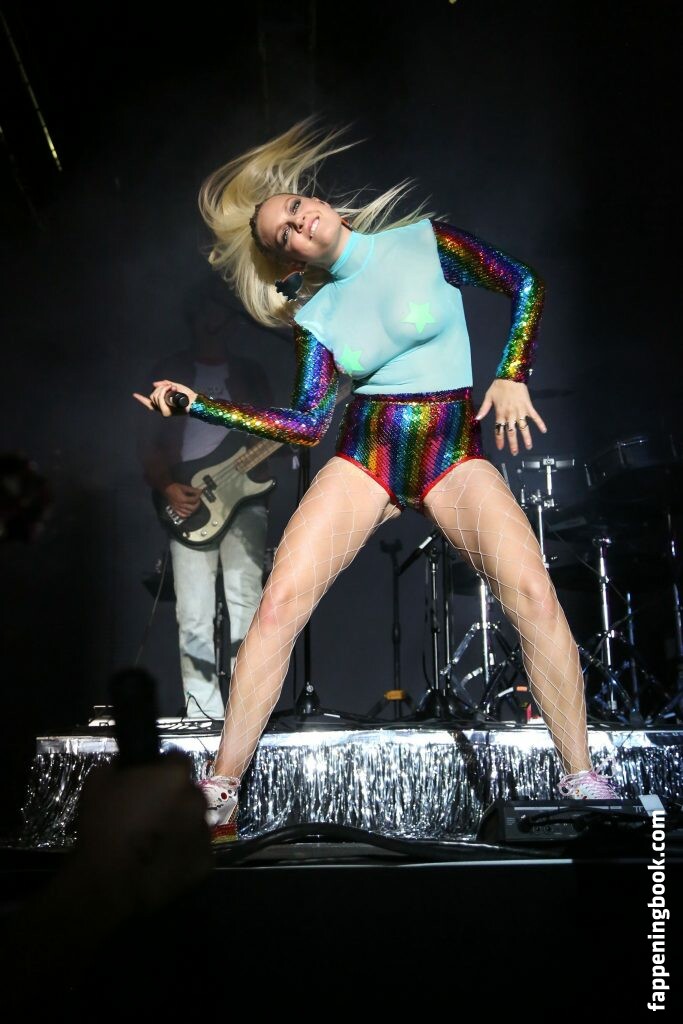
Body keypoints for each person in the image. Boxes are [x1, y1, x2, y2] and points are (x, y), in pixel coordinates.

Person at [134, 118, 619, 841]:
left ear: (315, 201)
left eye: (295, 208)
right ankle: (222, 787)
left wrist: (512, 372)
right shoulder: (316, 315)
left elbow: (524, 282)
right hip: (367, 459)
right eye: (283, 235)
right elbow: (307, 424)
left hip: (453, 455)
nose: (298, 224)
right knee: (278, 605)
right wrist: (198, 404)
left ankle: (581, 776)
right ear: (285, 257)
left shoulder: (425, 241)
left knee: (531, 593)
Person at [137, 278, 276, 719]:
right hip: (188, 497)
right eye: (209, 309)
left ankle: (247, 710)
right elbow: (148, 441)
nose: (217, 318)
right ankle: (202, 714)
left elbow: (275, 429)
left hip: (246, 496)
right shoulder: (170, 369)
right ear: (195, 315)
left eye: (223, 310)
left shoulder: (250, 373)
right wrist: (166, 486)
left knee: (246, 601)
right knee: (193, 613)